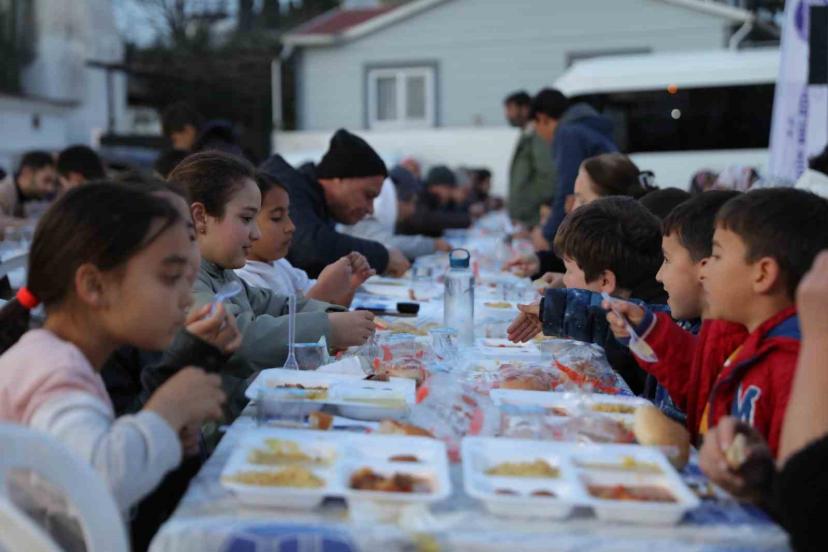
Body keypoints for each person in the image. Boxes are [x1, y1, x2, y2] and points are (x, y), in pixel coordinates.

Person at [0, 183, 226, 512]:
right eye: (170, 277)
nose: (187, 299)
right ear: (94, 286)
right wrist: (167, 410)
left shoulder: (54, 358)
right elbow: (93, 484)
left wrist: (159, 440)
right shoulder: (56, 371)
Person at [605, 188, 828, 456]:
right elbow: (700, 390)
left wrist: (747, 475)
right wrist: (649, 332)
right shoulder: (744, 340)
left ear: (763, 273)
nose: (704, 269)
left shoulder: (788, 362)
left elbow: (793, 471)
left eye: (717, 256)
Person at [170, 150, 376, 371]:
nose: (256, 233)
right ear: (200, 217)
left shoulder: (221, 272)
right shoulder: (183, 279)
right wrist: (327, 328)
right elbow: (239, 338)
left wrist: (335, 316)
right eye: (246, 218)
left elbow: (276, 306)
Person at [698, 252, 828, 552]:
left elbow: (806, 518)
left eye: (717, 254)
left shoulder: (792, 350)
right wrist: (763, 480)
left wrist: (819, 339)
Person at [507, 196, 665, 393]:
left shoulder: (651, 328)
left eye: (569, 270)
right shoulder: (644, 303)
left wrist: (562, 310)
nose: (565, 279)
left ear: (605, 281)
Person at [260, 129, 410, 278]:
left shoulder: (319, 203)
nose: (370, 209)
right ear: (338, 178)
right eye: (368, 195)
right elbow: (308, 248)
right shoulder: (285, 187)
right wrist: (382, 256)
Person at [236, 172, 375, 307]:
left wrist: (348, 285)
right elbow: (292, 321)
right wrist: (325, 287)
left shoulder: (281, 265)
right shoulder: (242, 279)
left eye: (288, 215)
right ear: (247, 220)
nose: (291, 227)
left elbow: (329, 309)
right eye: (277, 218)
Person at [506, 153, 648, 280]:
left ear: (615, 205)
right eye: (575, 197)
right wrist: (540, 262)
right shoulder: (608, 246)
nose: (573, 208)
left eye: (583, 200)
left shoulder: (629, 261)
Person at [532, 89, 618, 245]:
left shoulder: (568, 133)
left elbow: (568, 189)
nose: (540, 135)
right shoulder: (586, 126)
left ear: (542, 118)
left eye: (536, 128)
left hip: (602, 219)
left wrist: (547, 233)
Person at [341, 165, 452, 259]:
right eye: (411, 202)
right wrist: (433, 245)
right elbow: (387, 245)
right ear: (395, 199)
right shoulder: (363, 219)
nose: (412, 209)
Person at [504, 90, 558, 228]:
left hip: (534, 220)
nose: (507, 115)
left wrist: (527, 204)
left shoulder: (538, 134)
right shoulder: (527, 134)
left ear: (525, 109)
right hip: (527, 220)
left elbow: (548, 176)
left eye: (510, 109)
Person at [397, 165, 475, 238]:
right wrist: (466, 219)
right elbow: (427, 219)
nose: (449, 192)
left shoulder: (436, 200)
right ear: (436, 186)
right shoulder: (420, 194)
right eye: (448, 188)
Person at [160, 101, 244, 158]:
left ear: (188, 131)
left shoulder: (211, 154)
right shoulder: (216, 145)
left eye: (175, 140)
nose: (175, 146)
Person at [0, 150, 57, 228]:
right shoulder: (3, 191)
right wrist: (38, 225)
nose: (50, 188)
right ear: (27, 173)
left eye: (54, 183)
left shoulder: (21, 195)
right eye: (46, 180)